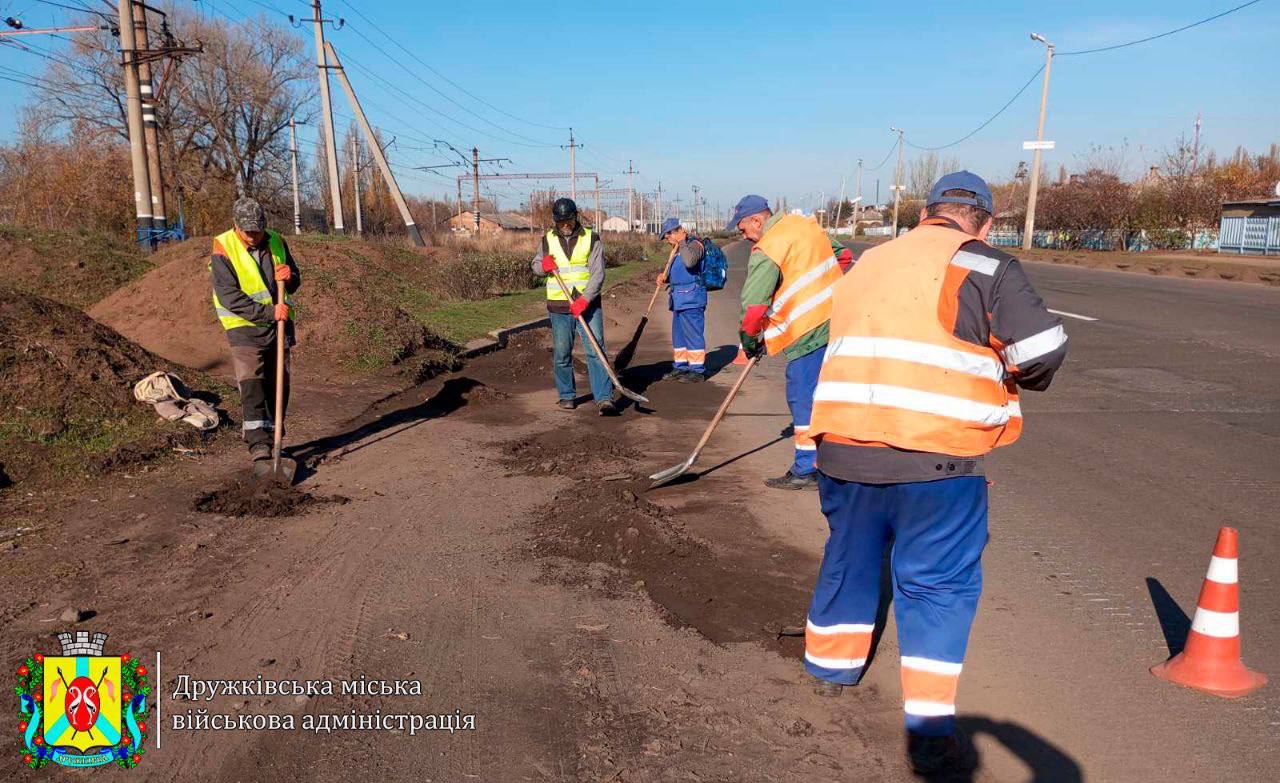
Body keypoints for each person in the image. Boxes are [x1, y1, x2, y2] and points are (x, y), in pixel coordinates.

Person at [802, 172, 1068, 776]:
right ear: (985, 222)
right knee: (937, 588)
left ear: (925, 214)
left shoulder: (868, 262)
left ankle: (829, 670)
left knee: (849, 556)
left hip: (844, 450)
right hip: (936, 461)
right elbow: (1042, 350)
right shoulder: (984, 266)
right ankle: (926, 732)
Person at [729, 194, 844, 490]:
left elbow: (753, 308)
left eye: (742, 229)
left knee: (803, 397)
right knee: (826, 396)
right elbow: (841, 257)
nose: (743, 236)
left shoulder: (769, 246)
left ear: (757, 219)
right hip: (838, 321)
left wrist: (750, 341)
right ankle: (829, 462)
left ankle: (807, 469)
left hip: (808, 332)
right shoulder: (803, 225)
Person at [209, 197, 301, 463]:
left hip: (279, 326)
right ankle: (258, 442)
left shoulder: (276, 241)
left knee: (279, 383)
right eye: (248, 231)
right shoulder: (223, 247)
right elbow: (228, 296)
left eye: (258, 230)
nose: (254, 236)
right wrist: (267, 312)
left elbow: (294, 280)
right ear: (236, 226)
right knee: (252, 383)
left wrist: (289, 276)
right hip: (244, 327)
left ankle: (275, 439)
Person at [531, 197, 617, 415]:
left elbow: (598, 274)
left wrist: (585, 299)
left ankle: (604, 398)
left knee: (596, 350)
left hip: (587, 305)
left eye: (569, 221)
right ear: (556, 222)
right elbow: (535, 265)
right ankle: (567, 395)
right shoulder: (547, 240)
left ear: (575, 217)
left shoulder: (591, 238)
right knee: (562, 352)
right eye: (561, 222)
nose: (565, 226)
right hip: (559, 306)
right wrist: (543, 266)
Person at [656, 217, 708, 382]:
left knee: (693, 334)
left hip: (692, 298)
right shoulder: (677, 249)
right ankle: (681, 366)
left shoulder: (694, 245)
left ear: (677, 232)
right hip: (678, 299)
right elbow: (679, 272)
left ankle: (697, 370)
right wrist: (664, 278)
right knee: (679, 336)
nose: (666, 239)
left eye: (668, 235)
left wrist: (683, 241)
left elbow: (689, 262)